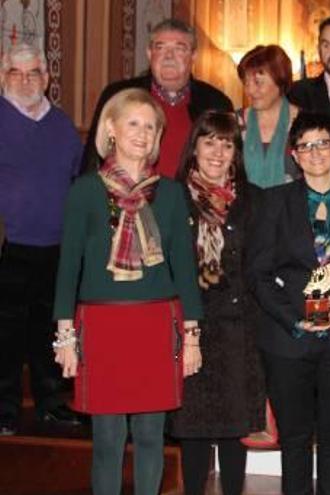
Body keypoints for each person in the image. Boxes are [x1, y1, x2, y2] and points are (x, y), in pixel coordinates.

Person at [53, 88, 203, 495]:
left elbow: (185, 271)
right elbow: (68, 268)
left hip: (156, 323)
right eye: (133, 122)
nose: (142, 132)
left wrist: (191, 337)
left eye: (150, 126)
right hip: (102, 326)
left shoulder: (170, 194)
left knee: (152, 436)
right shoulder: (85, 191)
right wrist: (66, 336)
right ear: (111, 129)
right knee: (106, 440)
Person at [248, 112, 330, 495]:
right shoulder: (273, 201)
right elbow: (258, 274)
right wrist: (294, 318)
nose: (315, 152)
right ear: (294, 155)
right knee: (295, 439)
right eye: (305, 145)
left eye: (323, 143)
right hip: (288, 338)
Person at [168, 110, 265, 495]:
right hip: (190, 326)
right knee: (191, 429)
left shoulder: (253, 200)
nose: (218, 152)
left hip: (239, 329)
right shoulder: (173, 197)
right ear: (194, 147)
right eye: (209, 141)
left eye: (227, 143)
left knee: (232, 427)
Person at [0, 43, 83, 435]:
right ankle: (5, 408)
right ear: (4, 78)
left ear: (47, 79)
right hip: (10, 245)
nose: (25, 80)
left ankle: (52, 402)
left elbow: (76, 180)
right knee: (6, 332)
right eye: (16, 73)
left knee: (52, 329)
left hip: (56, 246)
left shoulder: (62, 125)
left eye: (33, 73)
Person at [81, 19, 233, 177]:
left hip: (194, 199)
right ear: (149, 53)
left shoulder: (215, 103)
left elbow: (229, 165)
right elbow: (93, 159)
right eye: (160, 48)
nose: (168, 56)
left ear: (193, 56)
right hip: (126, 196)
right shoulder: (120, 95)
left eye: (179, 49)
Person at [236, 44, 300, 188]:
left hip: (292, 209)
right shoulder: (234, 123)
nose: (250, 90)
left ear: (280, 81)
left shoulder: (305, 124)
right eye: (246, 83)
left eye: (258, 83)